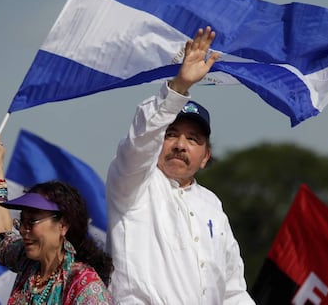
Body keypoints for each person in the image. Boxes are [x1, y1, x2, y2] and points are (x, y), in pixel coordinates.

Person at [105, 26, 255, 304]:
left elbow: (233, 289)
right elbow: (140, 139)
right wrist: (179, 86)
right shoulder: (133, 183)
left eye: (193, 139)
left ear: (206, 156)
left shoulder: (212, 205)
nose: (180, 145)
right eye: (171, 134)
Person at [0, 137, 114, 304]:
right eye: (22, 222)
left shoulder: (84, 287)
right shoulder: (28, 262)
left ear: (63, 225)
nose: (22, 230)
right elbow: (1, 234)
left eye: (32, 222)